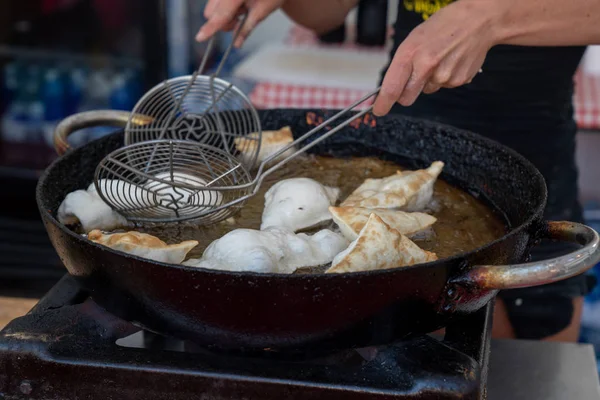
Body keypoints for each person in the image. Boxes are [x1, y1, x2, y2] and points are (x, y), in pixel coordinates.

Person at [196, 0, 600, 342]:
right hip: (400, 149)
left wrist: (490, 16)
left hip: (528, 176)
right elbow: (326, 13)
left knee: (524, 375)